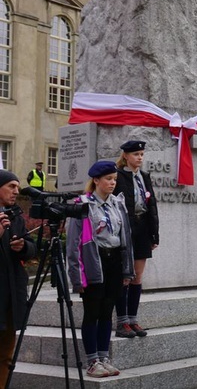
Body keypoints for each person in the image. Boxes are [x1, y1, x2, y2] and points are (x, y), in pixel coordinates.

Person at [67, 161, 135, 377]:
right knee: (92, 311)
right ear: (96, 180)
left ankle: (104, 357)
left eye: (114, 179)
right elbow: (73, 244)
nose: (112, 183)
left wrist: (127, 270)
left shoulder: (118, 204)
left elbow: (126, 239)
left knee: (108, 311)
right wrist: (77, 278)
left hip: (114, 261)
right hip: (94, 262)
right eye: (108, 179)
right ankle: (92, 361)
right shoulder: (83, 204)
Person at [113, 140, 160, 338]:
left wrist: (154, 233)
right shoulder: (119, 176)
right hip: (126, 228)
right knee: (125, 276)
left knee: (138, 276)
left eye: (141, 154)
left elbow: (152, 205)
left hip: (142, 228)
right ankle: (122, 321)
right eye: (135, 154)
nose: (139, 158)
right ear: (126, 156)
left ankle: (133, 319)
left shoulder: (144, 176)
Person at [0, 170, 36, 387]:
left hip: (11, 294)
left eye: (18, 186)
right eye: (11, 186)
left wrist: (24, 247)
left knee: (5, 355)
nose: (16, 191)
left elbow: (31, 247)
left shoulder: (15, 215)